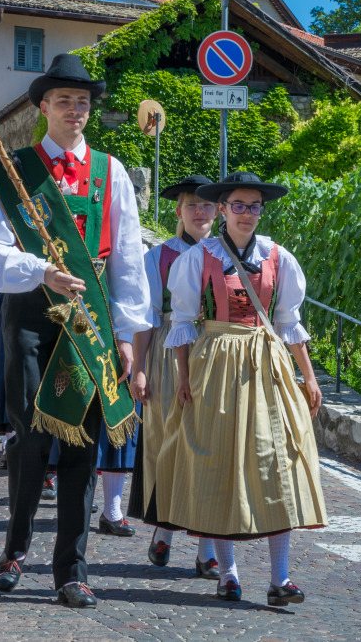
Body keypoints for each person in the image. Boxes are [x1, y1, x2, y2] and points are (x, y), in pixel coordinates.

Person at [0, 54, 149, 608]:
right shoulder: (16, 168)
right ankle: (15, 547)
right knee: (32, 436)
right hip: (31, 313)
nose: (75, 110)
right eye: (64, 101)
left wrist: (126, 335)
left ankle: (71, 571)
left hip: (89, 318)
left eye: (83, 102)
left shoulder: (110, 171)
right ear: (43, 106)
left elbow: (127, 260)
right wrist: (39, 271)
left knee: (82, 445)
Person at [158, 171, 327, 606]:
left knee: (280, 461)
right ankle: (228, 573)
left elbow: (289, 322)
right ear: (223, 210)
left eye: (254, 206)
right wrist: (182, 377)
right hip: (215, 363)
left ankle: (280, 577)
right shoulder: (201, 258)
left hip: (267, 362)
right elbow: (181, 322)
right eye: (238, 206)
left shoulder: (277, 256)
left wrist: (308, 376)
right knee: (220, 462)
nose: (247, 214)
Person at [123, 175, 220, 577]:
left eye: (207, 205)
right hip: (165, 352)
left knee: (213, 446)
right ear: (178, 211)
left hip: (214, 355)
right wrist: (139, 368)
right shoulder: (158, 257)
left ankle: (208, 546)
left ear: (218, 211)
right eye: (192, 205)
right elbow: (145, 320)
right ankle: (163, 528)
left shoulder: (229, 255)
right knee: (169, 442)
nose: (200, 212)